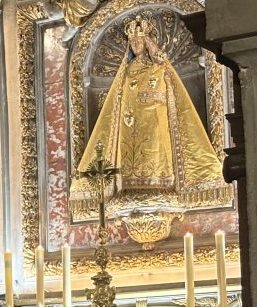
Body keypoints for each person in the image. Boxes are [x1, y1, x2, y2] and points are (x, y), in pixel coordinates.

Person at [70, 15, 224, 207]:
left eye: (140, 41)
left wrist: (155, 57)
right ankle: (128, 186)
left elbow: (164, 80)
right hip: (129, 127)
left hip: (154, 123)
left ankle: (160, 183)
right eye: (133, 42)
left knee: (155, 152)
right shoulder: (124, 72)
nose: (136, 44)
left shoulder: (156, 68)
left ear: (146, 42)